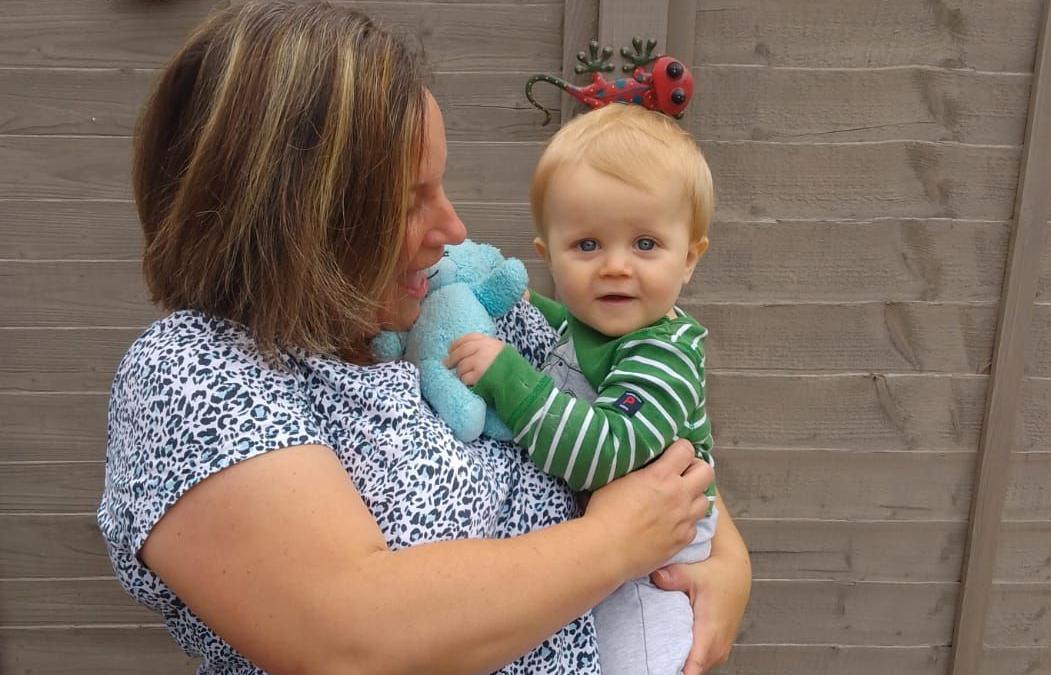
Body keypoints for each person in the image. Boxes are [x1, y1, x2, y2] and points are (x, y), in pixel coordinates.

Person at [95, 2, 751, 674]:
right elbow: (353, 636)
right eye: (410, 201)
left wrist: (727, 560)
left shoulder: (455, 302)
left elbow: (635, 430)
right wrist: (615, 542)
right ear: (295, 214)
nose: (455, 228)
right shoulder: (196, 373)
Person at [445, 103, 717, 674]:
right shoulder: (594, 324)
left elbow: (605, 451)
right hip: (608, 551)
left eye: (645, 244)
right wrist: (515, 302)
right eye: (587, 246)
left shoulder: (662, 352)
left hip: (652, 575)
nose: (616, 267)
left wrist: (506, 376)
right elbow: (564, 329)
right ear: (549, 255)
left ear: (690, 257)